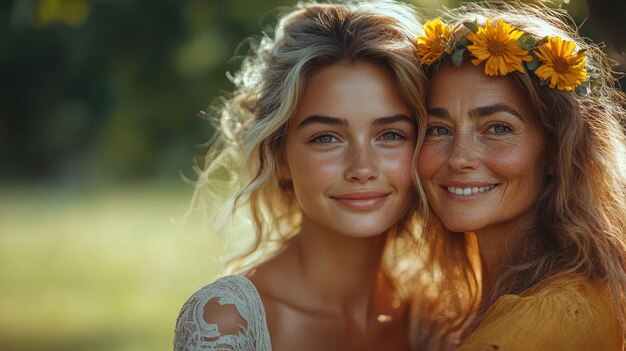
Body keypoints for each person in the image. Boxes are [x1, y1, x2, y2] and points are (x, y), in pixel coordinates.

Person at [173, 1, 426, 350]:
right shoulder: (227, 320)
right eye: (326, 138)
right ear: (278, 155)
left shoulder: (432, 316)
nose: (362, 168)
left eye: (391, 135)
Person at [412, 2, 626, 350]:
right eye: (438, 129)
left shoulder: (552, 315)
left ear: (558, 152)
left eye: (498, 128)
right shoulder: (453, 295)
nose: (460, 157)